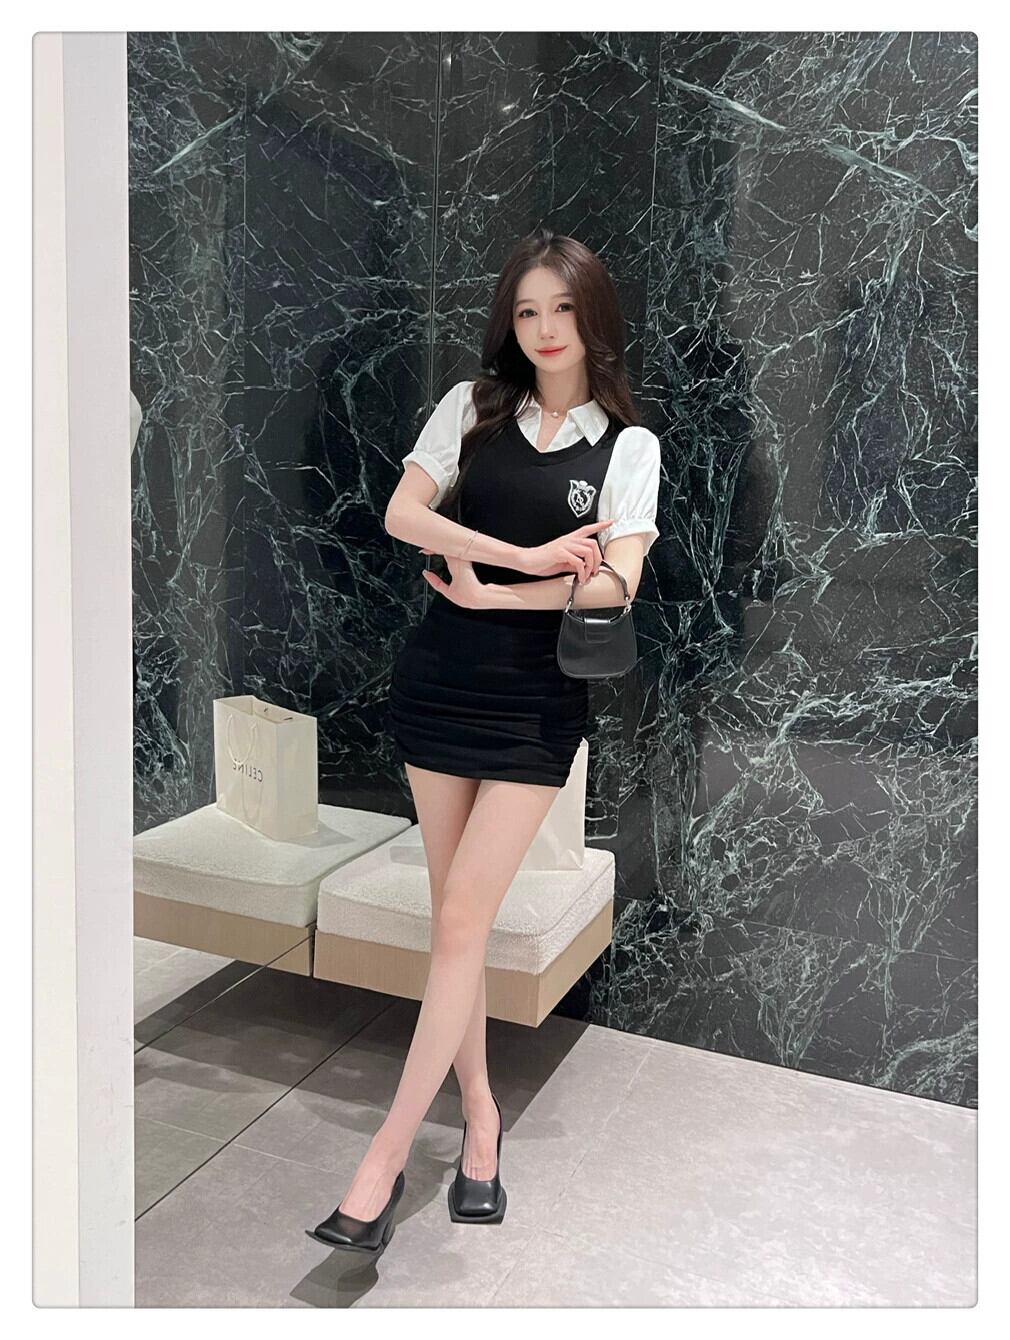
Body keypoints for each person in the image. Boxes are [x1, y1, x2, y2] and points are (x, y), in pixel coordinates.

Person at [306, 227, 661, 1256]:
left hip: (536, 706)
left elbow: (614, 585)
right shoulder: (470, 406)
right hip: (438, 685)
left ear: (594, 318)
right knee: (453, 926)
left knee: (463, 916)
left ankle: (382, 1159)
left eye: (563, 309)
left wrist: (500, 594)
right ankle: (480, 1114)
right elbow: (401, 515)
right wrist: (522, 557)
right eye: (526, 311)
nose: (545, 330)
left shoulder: (627, 448)